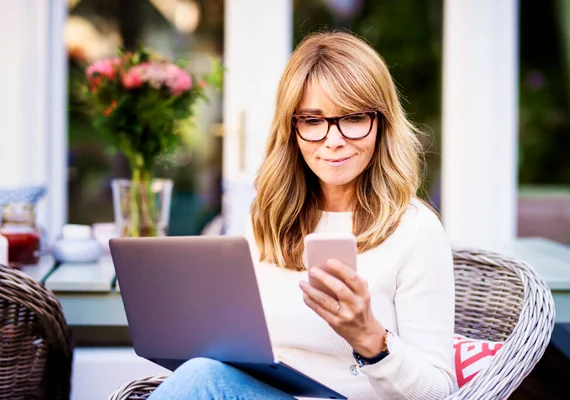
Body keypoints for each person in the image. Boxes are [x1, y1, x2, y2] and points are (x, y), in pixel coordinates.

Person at [148, 31, 457, 400]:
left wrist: (372, 339)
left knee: (202, 378)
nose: (333, 139)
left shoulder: (415, 230)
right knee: (203, 371)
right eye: (312, 120)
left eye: (354, 117)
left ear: (382, 123)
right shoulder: (268, 214)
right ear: (292, 128)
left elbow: (441, 392)